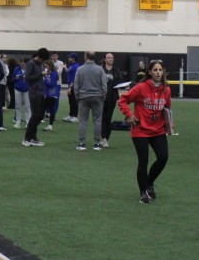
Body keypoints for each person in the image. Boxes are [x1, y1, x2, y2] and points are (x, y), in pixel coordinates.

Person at [117, 60, 172, 203]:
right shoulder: (141, 88)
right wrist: (129, 115)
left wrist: (169, 124)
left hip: (158, 130)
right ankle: (143, 192)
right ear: (149, 72)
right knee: (143, 161)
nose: (158, 73)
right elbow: (123, 100)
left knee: (163, 157)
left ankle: (149, 182)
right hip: (140, 130)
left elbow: (167, 109)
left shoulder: (166, 90)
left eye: (160, 70)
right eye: (155, 70)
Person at [74, 51, 107, 151]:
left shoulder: (80, 69)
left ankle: (82, 143)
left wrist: (77, 97)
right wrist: (103, 96)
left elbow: (76, 85)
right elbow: (104, 85)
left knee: (83, 121)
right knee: (97, 120)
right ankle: (97, 143)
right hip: (97, 97)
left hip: (83, 97)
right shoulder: (100, 69)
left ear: (85, 57)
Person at [22, 48, 49, 147]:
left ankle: (33, 138)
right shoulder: (31, 63)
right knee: (35, 116)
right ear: (40, 57)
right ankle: (27, 138)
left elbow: (40, 78)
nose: (43, 61)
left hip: (41, 92)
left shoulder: (40, 64)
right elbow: (27, 78)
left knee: (40, 116)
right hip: (34, 93)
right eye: (43, 59)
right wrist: (40, 74)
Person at [99, 53, 123, 148]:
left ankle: (105, 139)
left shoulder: (116, 71)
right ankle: (103, 138)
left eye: (111, 58)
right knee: (102, 118)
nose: (110, 59)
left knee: (108, 118)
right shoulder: (100, 69)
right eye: (108, 58)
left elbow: (120, 81)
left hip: (112, 98)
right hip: (101, 98)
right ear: (105, 59)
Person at [42, 59, 60, 131]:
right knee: (43, 108)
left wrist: (44, 80)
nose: (46, 68)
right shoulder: (48, 73)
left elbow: (51, 84)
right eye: (45, 66)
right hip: (47, 94)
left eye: (46, 66)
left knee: (51, 110)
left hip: (52, 94)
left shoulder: (54, 73)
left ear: (50, 66)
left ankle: (50, 125)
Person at [12, 56, 30, 129]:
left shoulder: (29, 70)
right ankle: (17, 123)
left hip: (27, 90)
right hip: (18, 89)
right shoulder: (16, 69)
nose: (22, 64)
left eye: (24, 63)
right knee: (18, 106)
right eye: (21, 62)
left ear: (26, 63)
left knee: (27, 107)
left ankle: (28, 123)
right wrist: (16, 78)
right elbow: (13, 79)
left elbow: (32, 79)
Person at [62, 53, 80, 122]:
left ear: (73, 58)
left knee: (74, 101)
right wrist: (65, 67)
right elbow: (68, 72)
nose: (68, 58)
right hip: (70, 86)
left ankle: (75, 116)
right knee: (71, 101)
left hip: (74, 87)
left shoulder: (76, 66)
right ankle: (71, 115)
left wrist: (70, 87)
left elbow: (74, 78)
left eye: (70, 57)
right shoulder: (72, 65)